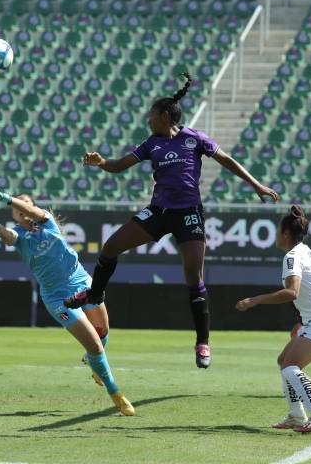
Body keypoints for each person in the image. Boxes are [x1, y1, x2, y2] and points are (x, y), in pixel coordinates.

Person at [65, 72, 279, 369]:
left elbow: (227, 160)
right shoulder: (151, 143)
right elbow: (119, 166)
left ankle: (203, 342)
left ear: (165, 116)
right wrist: (101, 162)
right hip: (159, 212)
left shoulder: (194, 138)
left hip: (188, 213)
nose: (148, 119)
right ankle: (95, 294)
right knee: (111, 246)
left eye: (152, 115)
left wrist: (256, 184)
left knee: (193, 277)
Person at [0, 186, 134, 415]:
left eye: (25, 204)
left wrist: (6, 198)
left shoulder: (46, 221)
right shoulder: (19, 235)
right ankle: (116, 394)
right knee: (94, 345)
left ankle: (94, 365)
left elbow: (32, 212)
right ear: (14, 215)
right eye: (16, 208)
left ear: (32, 207)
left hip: (82, 283)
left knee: (103, 333)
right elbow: (8, 236)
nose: (21, 209)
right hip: (57, 297)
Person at [236, 206, 311, 432]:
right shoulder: (304, 250)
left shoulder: (292, 257)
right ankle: (296, 415)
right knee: (284, 361)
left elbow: (292, 292)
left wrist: (255, 300)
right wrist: (302, 320)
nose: (276, 234)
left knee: (290, 367)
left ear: (285, 234)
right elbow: (309, 291)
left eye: (278, 230)